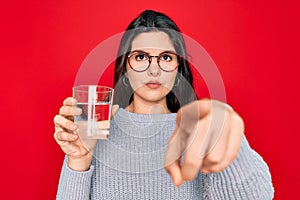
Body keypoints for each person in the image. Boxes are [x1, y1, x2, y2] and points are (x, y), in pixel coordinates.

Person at [54, 10, 274, 199]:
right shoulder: (96, 128)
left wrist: (230, 146)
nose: (154, 70)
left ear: (178, 67)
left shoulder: (200, 128)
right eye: (141, 57)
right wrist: (79, 159)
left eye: (166, 58)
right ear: (125, 67)